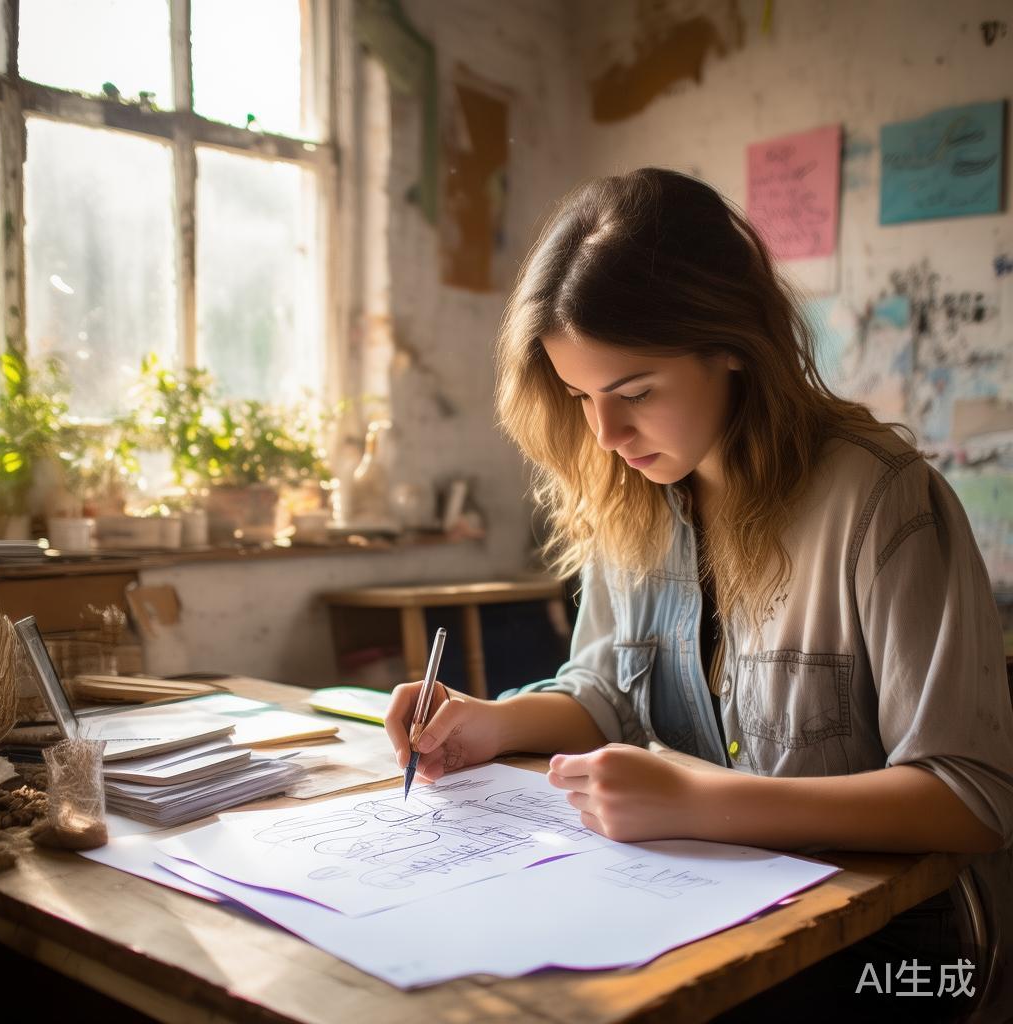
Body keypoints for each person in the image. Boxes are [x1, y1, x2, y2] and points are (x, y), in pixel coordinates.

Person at [384, 168, 1013, 1019]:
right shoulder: (630, 491)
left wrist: (710, 804)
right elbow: (607, 692)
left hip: (887, 949)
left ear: (730, 344)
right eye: (580, 398)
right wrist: (490, 721)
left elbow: (970, 800)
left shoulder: (878, 499)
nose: (604, 436)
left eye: (635, 393)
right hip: (689, 917)